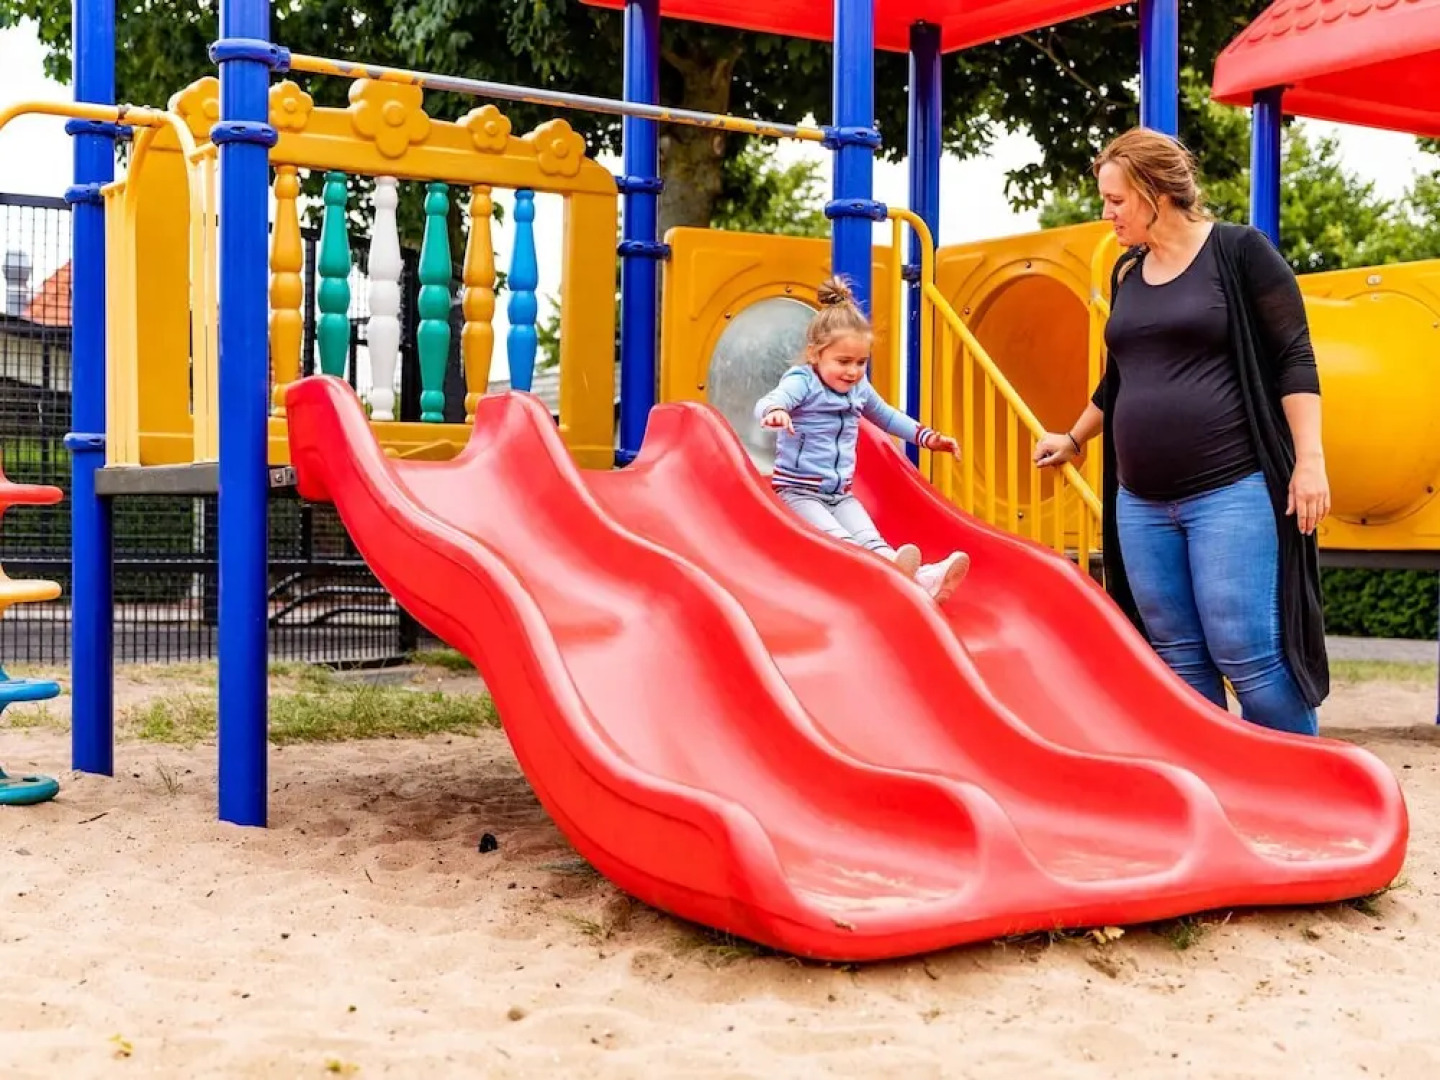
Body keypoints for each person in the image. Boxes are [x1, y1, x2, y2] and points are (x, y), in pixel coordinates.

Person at [1033, 127, 1331, 737]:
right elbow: (1120, 376)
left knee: (1248, 653)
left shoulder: (1240, 252)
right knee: (1175, 659)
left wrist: (1310, 461)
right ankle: (1216, 796)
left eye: (1116, 200)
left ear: (1154, 192)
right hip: (1140, 503)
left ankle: (1308, 792)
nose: (1107, 212)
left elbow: (1294, 358)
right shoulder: (1128, 273)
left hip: (1231, 490)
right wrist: (1076, 436)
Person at [755, 276, 971, 604]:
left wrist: (927, 437)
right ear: (815, 354)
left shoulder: (858, 387)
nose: (853, 371)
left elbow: (885, 415)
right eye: (843, 362)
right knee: (844, 541)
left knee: (873, 542)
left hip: (839, 494)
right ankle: (905, 584)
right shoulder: (804, 381)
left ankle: (921, 581)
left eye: (861, 362)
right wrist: (775, 411)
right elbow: (772, 399)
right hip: (799, 492)